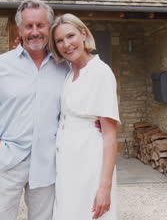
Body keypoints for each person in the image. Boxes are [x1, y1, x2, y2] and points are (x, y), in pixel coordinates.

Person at [0, 0, 70, 220]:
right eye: (28, 26)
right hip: (8, 160)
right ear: (19, 29)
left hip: (47, 163)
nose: (34, 32)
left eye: (40, 25)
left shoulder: (64, 68)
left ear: (49, 28)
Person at [48, 13, 120, 220]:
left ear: (83, 34)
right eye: (60, 40)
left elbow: (109, 135)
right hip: (66, 163)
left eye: (71, 36)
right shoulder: (69, 72)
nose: (67, 44)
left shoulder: (100, 72)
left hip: (90, 162)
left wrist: (104, 187)